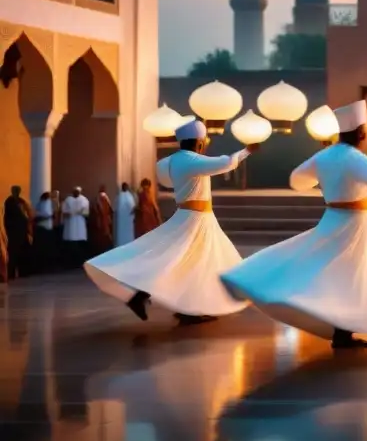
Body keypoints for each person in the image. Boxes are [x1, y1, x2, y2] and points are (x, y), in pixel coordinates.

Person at [221, 99, 367, 349]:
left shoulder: (324, 156)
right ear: (360, 132)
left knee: (334, 272)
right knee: (349, 276)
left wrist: (321, 181)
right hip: (353, 224)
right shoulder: (354, 157)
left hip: (334, 218)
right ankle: (342, 332)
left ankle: (341, 330)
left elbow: (298, 178)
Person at [84, 119, 258, 326]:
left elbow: (167, 177)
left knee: (192, 264)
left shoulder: (173, 162)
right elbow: (226, 163)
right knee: (177, 261)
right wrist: (246, 150)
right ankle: (148, 299)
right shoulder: (191, 161)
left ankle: (188, 308)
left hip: (195, 217)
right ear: (200, 143)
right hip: (195, 219)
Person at [2, 185, 32, 280]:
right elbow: (9, 216)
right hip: (13, 231)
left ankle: (23, 272)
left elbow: (27, 212)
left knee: (23, 250)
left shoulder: (21, 201)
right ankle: (10, 273)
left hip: (22, 230)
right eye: (15, 190)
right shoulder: (9, 201)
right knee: (13, 251)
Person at [61, 187, 91, 268]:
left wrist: (81, 212)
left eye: (78, 192)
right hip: (70, 225)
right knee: (71, 243)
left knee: (80, 244)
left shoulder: (84, 200)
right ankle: (71, 263)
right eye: (75, 192)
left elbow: (86, 213)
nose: (76, 193)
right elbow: (64, 212)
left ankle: (80, 262)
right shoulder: (68, 200)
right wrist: (69, 213)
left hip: (80, 224)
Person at [33, 191, 56, 273]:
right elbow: (41, 215)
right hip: (43, 228)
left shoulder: (46, 203)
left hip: (46, 228)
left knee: (45, 249)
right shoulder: (41, 204)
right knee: (43, 249)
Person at [89, 184, 114, 257]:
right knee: (105, 236)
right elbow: (107, 209)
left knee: (102, 236)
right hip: (103, 220)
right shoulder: (103, 197)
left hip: (101, 220)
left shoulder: (98, 198)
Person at [114, 183, 136, 248]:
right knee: (128, 237)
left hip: (120, 221)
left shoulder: (118, 196)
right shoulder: (129, 196)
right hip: (128, 221)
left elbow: (115, 209)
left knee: (121, 236)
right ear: (127, 187)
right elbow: (132, 208)